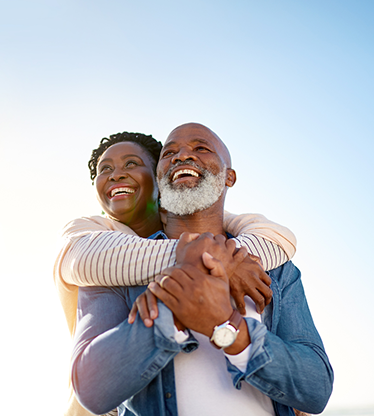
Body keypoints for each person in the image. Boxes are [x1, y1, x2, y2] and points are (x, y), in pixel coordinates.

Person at [70, 123, 333, 415]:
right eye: (170, 152)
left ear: (229, 176)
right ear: (159, 178)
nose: (182, 155)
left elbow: (317, 388)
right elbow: (92, 389)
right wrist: (170, 313)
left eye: (201, 148)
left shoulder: (276, 267)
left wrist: (227, 324)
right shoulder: (113, 266)